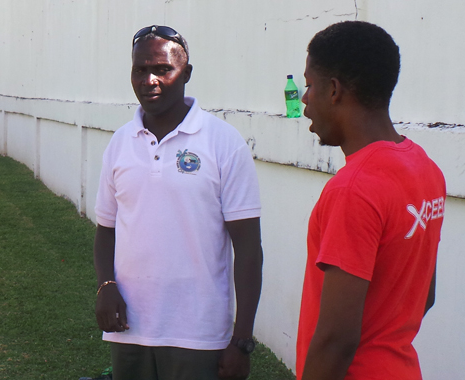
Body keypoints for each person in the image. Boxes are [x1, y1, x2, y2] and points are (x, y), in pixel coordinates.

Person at [94, 25, 264, 380]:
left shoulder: (223, 142)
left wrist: (242, 340)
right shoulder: (120, 143)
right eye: (140, 70)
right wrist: (106, 286)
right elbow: (106, 229)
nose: (150, 80)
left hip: (199, 335)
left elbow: (248, 250)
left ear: (186, 73)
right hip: (130, 330)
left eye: (162, 69)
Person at [296, 21, 445, 380]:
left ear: (334, 90)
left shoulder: (354, 189)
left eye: (309, 84)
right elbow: (424, 296)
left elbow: (336, 340)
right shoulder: (425, 168)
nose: (304, 98)